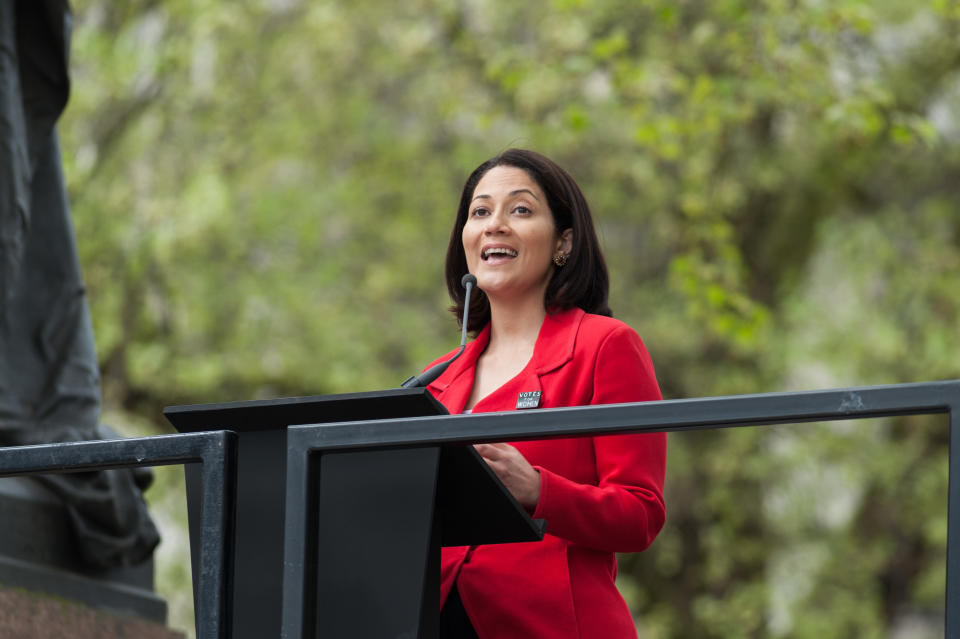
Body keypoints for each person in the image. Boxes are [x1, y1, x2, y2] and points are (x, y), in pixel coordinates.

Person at [423, 149, 667, 639]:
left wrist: (539, 491)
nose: (495, 225)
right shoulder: (435, 380)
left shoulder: (605, 346)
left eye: (520, 210)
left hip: (549, 624)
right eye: (480, 211)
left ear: (564, 242)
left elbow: (640, 513)